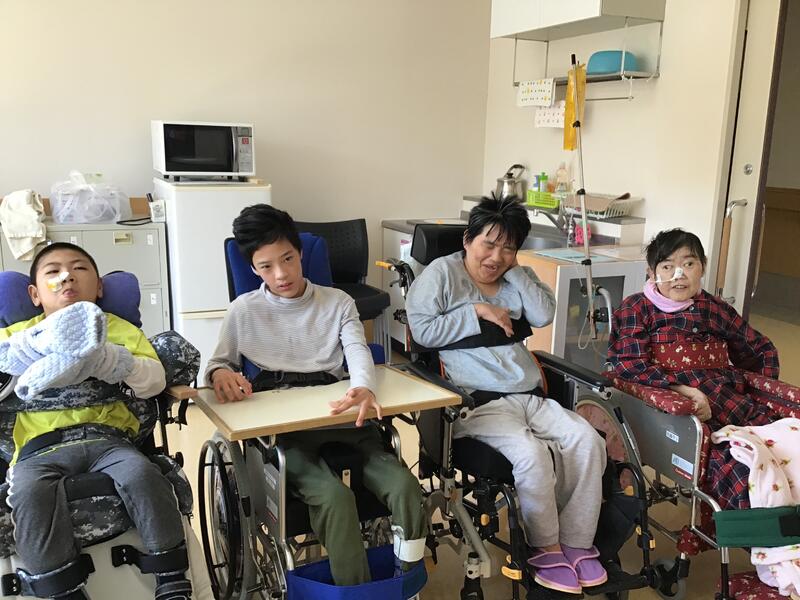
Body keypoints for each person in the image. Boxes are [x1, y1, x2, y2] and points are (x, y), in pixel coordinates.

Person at [205, 204, 427, 587]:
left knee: (406, 487)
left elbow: (357, 349)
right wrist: (220, 373)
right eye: (266, 266)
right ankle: (355, 594)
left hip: (344, 416)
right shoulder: (243, 311)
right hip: (287, 434)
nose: (281, 274)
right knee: (334, 498)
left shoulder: (337, 302)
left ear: (300, 253)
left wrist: (363, 386)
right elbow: (216, 364)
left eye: (287, 259)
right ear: (253, 268)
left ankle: (406, 581)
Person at [405, 196, 608, 595]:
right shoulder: (442, 274)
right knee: (531, 455)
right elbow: (423, 331)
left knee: (587, 441)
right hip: (479, 402)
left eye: (508, 247)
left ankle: (577, 542)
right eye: (489, 244)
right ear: (468, 240)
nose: (496, 256)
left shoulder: (516, 275)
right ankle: (545, 547)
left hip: (530, 395)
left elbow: (543, 314)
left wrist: (517, 271)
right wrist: (477, 311)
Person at [0, 243, 191, 600]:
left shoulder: (119, 330)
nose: (66, 277)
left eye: (79, 268)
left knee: (143, 474)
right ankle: (60, 588)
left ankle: (170, 574)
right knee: (28, 493)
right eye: (53, 272)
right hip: (39, 448)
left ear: (99, 287)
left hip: (107, 441)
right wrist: (30, 357)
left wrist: (112, 361)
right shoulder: (17, 337)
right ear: (35, 294)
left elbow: (153, 382)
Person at [608, 228, 780, 511]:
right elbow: (629, 365)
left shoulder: (714, 308)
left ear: (703, 267)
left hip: (732, 403)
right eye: (668, 266)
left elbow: (759, 349)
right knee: (745, 471)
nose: (679, 275)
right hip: (684, 416)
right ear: (651, 273)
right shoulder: (637, 308)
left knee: (784, 447)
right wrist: (683, 391)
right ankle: (756, 530)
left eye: (688, 264)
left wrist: (763, 387)